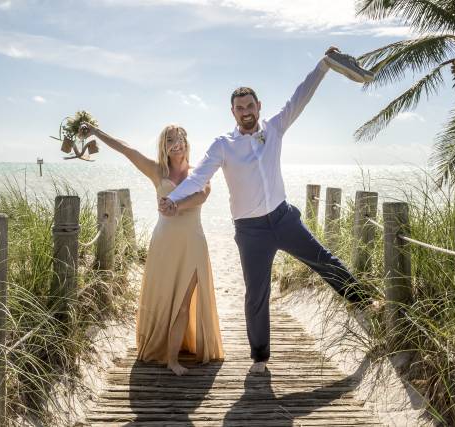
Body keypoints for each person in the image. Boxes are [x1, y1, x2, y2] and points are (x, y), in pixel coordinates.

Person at [158, 46, 376, 374]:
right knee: (256, 294)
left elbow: (299, 98)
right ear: (232, 112)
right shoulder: (223, 145)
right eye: (239, 108)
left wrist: (323, 66)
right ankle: (260, 357)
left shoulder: (274, 128)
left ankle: (363, 302)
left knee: (323, 259)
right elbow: (200, 175)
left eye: (250, 106)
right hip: (250, 231)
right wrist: (173, 199)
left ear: (258, 107)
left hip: (283, 217)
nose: (245, 111)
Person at [79, 123, 224, 375]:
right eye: (170, 139)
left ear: (187, 142)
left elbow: (202, 196)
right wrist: (95, 131)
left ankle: (172, 359)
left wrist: (177, 206)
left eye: (180, 138)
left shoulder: (199, 172)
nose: (176, 143)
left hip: (193, 244)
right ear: (163, 145)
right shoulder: (157, 171)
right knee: (164, 297)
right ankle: (167, 351)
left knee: (183, 302)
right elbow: (126, 149)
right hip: (164, 244)